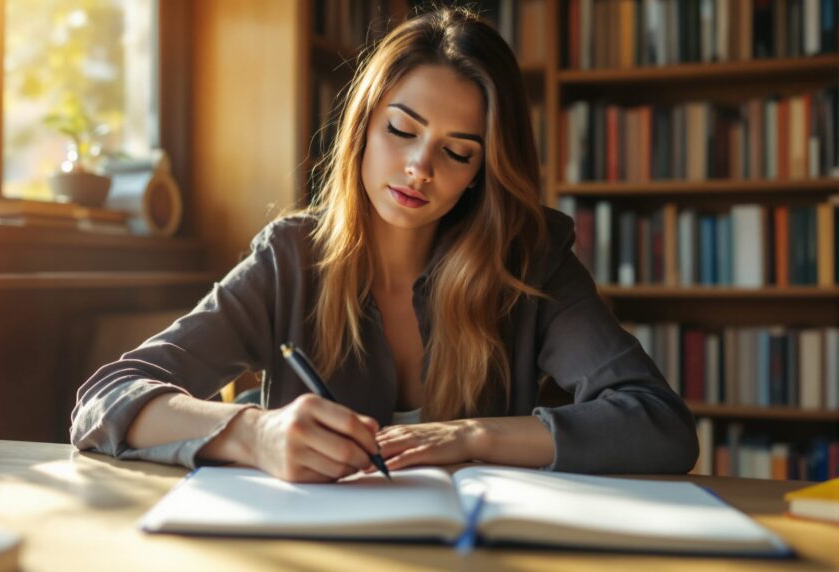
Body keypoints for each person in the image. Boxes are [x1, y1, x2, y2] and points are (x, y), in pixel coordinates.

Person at [70, 8, 698, 483]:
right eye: (402, 129)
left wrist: (472, 436)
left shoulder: (528, 260)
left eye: (457, 152)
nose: (420, 168)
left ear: (483, 170)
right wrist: (253, 433)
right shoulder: (292, 259)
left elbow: (659, 423)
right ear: (364, 125)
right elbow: (106, 398)